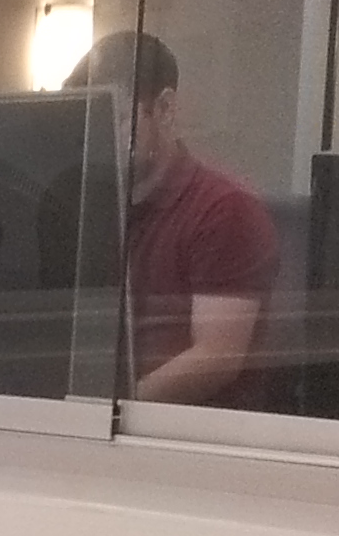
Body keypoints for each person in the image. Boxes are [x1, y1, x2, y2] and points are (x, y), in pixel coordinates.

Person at [65, 30, 277, 408]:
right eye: (83, 125)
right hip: (110, 422)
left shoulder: (225, 208)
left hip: (187, 436)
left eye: (113, 119)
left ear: (164, 109)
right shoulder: (90, 206)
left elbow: (216, 357)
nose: (94, 141)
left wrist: (103, 411)